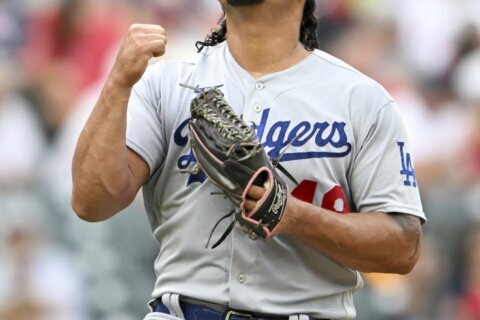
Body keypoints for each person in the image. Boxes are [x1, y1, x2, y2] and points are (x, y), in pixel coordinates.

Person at [71, 0, 425, 319]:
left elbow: (403, 248)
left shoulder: (360, 99)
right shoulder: (166, 82)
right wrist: (117, 83)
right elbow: (92, 202)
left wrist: (293, 216)